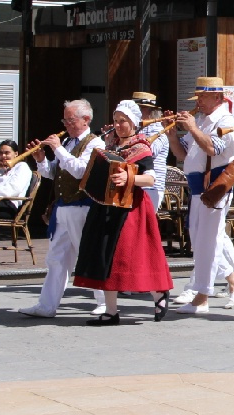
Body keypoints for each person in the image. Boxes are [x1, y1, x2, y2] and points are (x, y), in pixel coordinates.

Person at [72, 100, 174, 326]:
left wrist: (129, 177)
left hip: (131, 208)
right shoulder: (110, 144)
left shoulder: (142, 147)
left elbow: (150, 179)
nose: (118, 125)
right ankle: (111, 311)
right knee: (105, 256)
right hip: (105, 206)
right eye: (116, 121)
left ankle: (158, 293)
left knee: (129, 256)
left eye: (123, 121)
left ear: (134, 123)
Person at [19, 99, 106, 318]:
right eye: (64, 120)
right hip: (63, 208)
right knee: (56, 258)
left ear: (86, 120)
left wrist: (57, 149)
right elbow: (55, 174)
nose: (66, 124)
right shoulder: (67, 141)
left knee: (88, 254)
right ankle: (46, 305)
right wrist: (41, 160)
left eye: (70, 120)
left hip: (82, 207)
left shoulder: (95, 143)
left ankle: (105, 302)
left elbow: (80, 172)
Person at [167, 76, 234, 314]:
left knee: (209, 242)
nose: (198, 101)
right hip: (198, 188)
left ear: (218, 98)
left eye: (203, 97)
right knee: (200, 240)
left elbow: (213, 149)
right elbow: (182, 154)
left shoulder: (225, 121)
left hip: (214, 188)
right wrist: (170, 134)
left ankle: (202, 297)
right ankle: (233, 280)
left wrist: (191, 127)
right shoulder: (201, 119)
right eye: (198, 97)